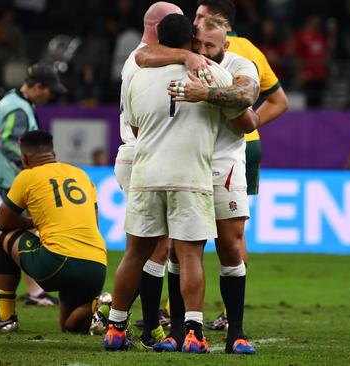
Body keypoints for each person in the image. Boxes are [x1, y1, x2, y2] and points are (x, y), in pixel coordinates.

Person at [103, 13, 257, 353]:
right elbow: (246, 120)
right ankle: (193, 333)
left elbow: (136, 129)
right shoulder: (212, 72)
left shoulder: (137, 75)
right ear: (190, 39)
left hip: (146, 174)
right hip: (190, 176)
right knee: (189, 255)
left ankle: (115, 327)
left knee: (135, 253)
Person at [153, 14, 259, 355]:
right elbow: (142, 55)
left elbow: (248, 112)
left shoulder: (237, 65)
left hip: (224, 165)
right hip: (186, 166)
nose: (202, 50)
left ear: (225, 45)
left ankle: (236, 332)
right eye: (198, 44)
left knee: (230, 246)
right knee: (178, 250)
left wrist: (207, 93)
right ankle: (180, 330)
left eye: (210, 46)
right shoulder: (183, 61)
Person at [110, 1, 211, 349]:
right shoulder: (144, 60)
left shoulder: (139, 70)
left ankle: (119, 325)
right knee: (173, 250)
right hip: (150, 158)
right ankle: (159, 325)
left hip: (143, 162)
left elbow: (136, 120)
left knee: (143, 250)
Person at [193, 0, 289, 332]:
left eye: (199, 16)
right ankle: (203, 312)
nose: (195, 22)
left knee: (227, 234)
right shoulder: (241, 49)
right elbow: (279, 99)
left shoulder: (241, 52)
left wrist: (247, 121)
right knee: (217, 235)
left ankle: (219, 312)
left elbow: (278, 100)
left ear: (216, 22)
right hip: (212, 145)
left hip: (235, 149)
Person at [0, 130, 107, 333]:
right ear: (53, 154)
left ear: (24, 157)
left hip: (57, 262)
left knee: (1, 238)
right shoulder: (81, 175)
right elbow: (94, 223)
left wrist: (34, 223)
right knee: (69, 327)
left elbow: (3, 221)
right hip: (97, 267)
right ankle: (98, 304)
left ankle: (6, 318)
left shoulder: (27, 176)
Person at [0, 63, 66, 306]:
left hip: (5, 174)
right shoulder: (19, 109)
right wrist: (34, 167)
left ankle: (33, 291)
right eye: (50, 91)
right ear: (39, 87)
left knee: (14, 231)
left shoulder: (10, 99)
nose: (50, 96)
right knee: (20, 231)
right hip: (12, 177)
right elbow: (9, 143)